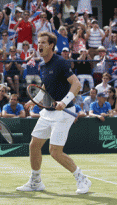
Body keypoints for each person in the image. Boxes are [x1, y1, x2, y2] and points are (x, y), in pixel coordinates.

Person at [16, 31, 91, 194]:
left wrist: (64, 101)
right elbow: (45, 86)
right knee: (34, 145)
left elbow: (76, 84)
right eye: (39, 42)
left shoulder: (60, 63)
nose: (40, 45)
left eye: (43, 43)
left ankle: (82, 178)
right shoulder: (42, 64)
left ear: (51, 46)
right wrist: (34, 99)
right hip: (48, 112)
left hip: (64, 113)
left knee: (55, 152)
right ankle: (36, 181)